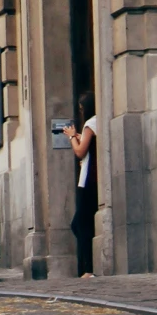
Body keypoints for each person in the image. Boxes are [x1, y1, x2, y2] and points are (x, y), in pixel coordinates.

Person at [65, 91, 99, 278]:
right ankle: (89, 267)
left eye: (80, 109)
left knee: (80, 224)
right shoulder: (98, 122)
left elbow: (80, 151)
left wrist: (72, 137)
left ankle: (89, 269)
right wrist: (78, 135)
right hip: (94, 180)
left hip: (86, 182)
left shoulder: (90, 123)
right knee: (84, 224)